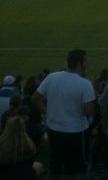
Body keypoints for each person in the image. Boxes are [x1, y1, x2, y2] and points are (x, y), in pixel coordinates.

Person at [32, 49, 96, 179]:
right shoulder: (85, 84)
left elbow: (35, 99)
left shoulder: (52, 77)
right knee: (75, 169)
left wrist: (48, 112)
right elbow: (89, 111)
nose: (87, 63)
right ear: (79, 63)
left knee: (55, 166)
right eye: (85, 60)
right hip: (76, 131)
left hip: (54, 129)